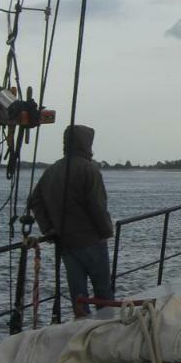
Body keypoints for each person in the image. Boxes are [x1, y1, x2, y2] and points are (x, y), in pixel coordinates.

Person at [29, 124, 114, 316]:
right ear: (86, 144)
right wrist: (106, 231)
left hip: (66, 243)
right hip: (92, 240)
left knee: (78, 293)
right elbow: (97, 206)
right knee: (103, 291)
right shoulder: (89, 170)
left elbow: (35, 200)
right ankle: (108, 328)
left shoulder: (51, 171)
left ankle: (81, 328)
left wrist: (48, 228)